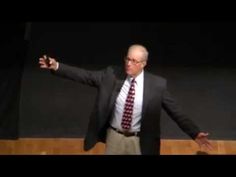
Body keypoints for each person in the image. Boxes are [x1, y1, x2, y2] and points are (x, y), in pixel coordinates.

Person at [39, 44, 212, 155]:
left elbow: (177, 112)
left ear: (143, 63)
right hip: (115, 137)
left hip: (140, 140)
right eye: (127, 59)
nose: (129, 64)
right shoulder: (111, 75)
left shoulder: (157, 85)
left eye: (134, 61)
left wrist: (194, 133)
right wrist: (56, 66)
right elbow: (85, 76)